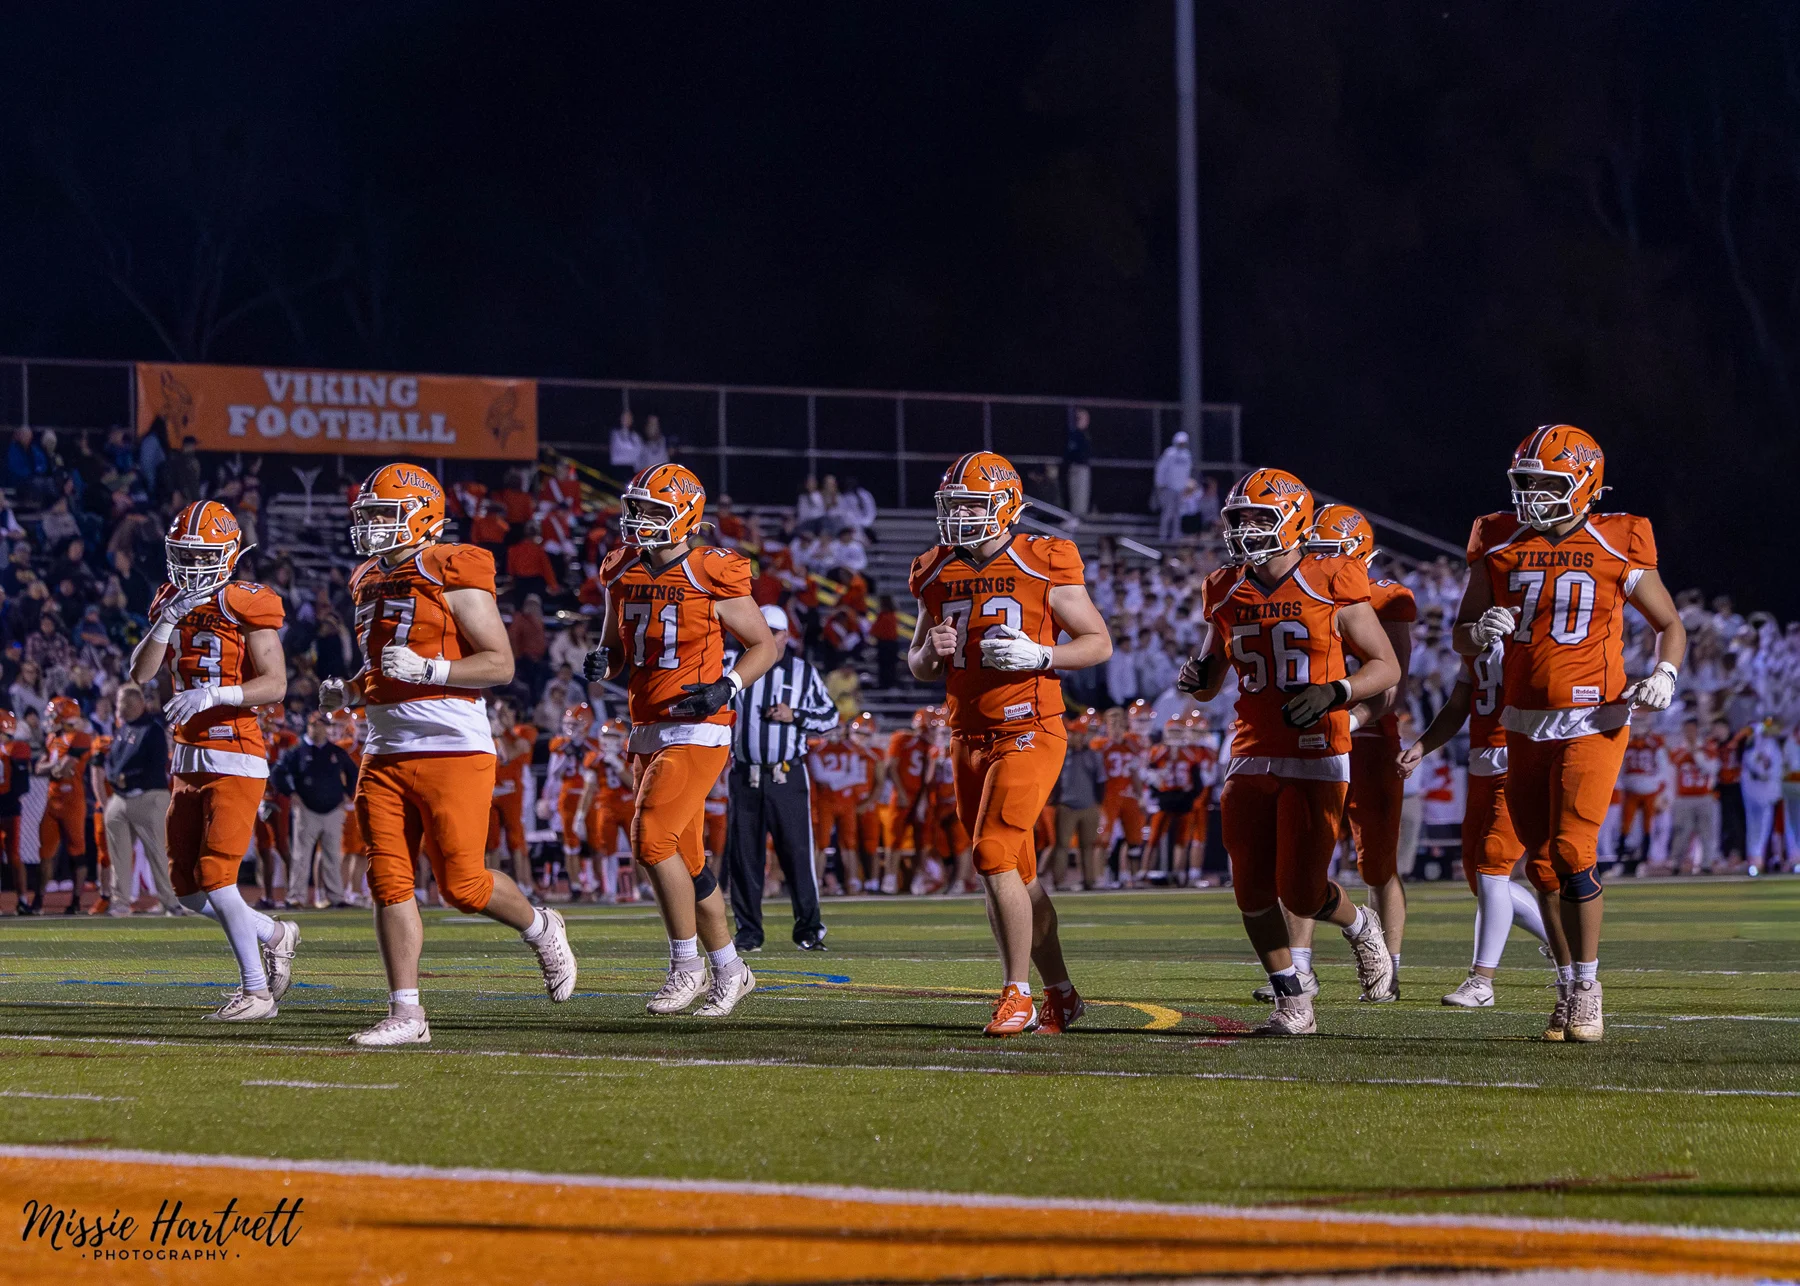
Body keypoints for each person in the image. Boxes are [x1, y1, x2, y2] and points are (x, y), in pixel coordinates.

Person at [320, 464, 577, 1047]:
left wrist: (433, 668)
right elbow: (380, 669)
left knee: (462, 887)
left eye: (384, 514)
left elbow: (500, 663)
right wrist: (350, 692)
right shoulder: (368, 578)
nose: (371, 526)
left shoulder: (451, 564)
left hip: (452, 746)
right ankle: (407, 1013)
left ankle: (540, 926)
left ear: (423, 516)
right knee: (388, 881)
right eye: (368, 515)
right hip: (382, 748)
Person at [1455, 424, 1686, 1042]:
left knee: (1571, 851)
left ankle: (1588, 987)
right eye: (1524, 482)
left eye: (1546, 483)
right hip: (1524, 721)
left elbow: (1670, 623)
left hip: (1594, 717)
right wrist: (1480, 632)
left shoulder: (1619, 538)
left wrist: (1664, 671)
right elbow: (1462, 631)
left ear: (1584, 484)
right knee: (1541, 869)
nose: (1531, 494)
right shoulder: (1497, 538)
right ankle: (1564, 984)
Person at [1175, 468, 1401, 1036]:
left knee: (1299, 888)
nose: (1246, 530)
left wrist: (1335, 691)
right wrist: (1195, 677)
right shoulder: (1224, 586)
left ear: (1295, 520)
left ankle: (1359, 924)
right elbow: (1209, 682)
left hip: (1317, 747)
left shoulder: (1331, 577)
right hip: (1251, 744)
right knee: (1249, 884)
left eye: (1260, 517)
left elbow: (1385, 666)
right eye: (1239, 519)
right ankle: (1292, 1002)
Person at [907, 451, 1113, 1036]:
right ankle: (1063, 994)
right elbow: (919, 663)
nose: (962, 518)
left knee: (993, 853)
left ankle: (1015, 993)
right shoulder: (933, 567)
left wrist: (1042, 654)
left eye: (973, 506)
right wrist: (931, 651)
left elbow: (1098, 642)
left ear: (1006, 506)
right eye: (955, 507)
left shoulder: (1042, 558)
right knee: (1015, 871)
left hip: (1029, 727)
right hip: (965, 734)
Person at [582, 463, 781, 1017]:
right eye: (636, 508)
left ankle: (684, 965)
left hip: (699, 726)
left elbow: (765, 645)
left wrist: (728, 685)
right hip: (648, 724)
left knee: (649, 840)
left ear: (686, 516)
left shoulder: (711, 570)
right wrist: (605, 662)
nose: (638, 520)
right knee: (689, 861)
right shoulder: (621, 568)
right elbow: (617, 649)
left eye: (652, 511)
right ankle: (731, 969)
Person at [127, 501, 297, 1018]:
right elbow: (140, 674)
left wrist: (215, 695)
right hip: (186, 758)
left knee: (217, 875)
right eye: (182, 553)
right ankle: (274, 931)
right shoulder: (168, 597)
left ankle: (255, 992)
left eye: (201, 554)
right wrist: (164, 623)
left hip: (235, 749)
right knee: (188, 891)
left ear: (227, 554)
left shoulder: (247, 601)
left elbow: (275, 683)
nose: (191, 565)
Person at [1255, 505, 1415, 1003]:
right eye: (1316, 551)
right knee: (1297, 859)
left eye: (1331, 553)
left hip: (1363, 742)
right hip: (1305, 738)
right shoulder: (1295, 587)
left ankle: (1387, 964)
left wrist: (1348, 719)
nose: (1321, 562)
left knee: (1377, 864)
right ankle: (1298, 967)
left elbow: (1392, 682)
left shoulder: (1387, 598)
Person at [1399, 642, 1563, 1011]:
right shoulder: (1478, 642)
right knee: (1484, 881)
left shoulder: (1535, 635)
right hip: (1480, 766)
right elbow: (1459, 706)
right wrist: (1423, 745)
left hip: (1519, 761)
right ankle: (1561, 942)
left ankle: (1482, 980)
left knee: (1493, 863)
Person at [718, 603, 838, 950]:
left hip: (786, 774)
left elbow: (829, 717)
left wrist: (795, 715)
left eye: (773, 632)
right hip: (744, 774)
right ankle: (749, 932)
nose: (766, 637)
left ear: (785, 635)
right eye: (761, 630)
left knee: (798, 854)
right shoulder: (733, 665)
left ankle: (809, 930)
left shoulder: (801, 671)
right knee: (744, 858)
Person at [99, 683, 178, 916]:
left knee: (158, 853)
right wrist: (116, 778)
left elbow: (155, 763)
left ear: (135, 704)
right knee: (119, 854)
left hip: (149, 795)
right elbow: (111, 761)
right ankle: (120, 901)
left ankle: (170, 901)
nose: (118, 706)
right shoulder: (123, 729)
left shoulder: (152, 729)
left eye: (122, 702)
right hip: (121, 797)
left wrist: (126, 777)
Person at [272, 710, 359, 910]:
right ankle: (296, 896)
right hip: (306, 810)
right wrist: (291, 793)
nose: (322, 729)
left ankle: (335, 896)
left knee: (332, 856)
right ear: (310, 727)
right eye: (317, 725)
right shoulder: (297, 751)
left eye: (323, 725)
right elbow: (277, 773)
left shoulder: (335, 751)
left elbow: (353, 773)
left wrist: (348, 794)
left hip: (333, 810)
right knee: (301, 856)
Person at [35, 696, 96, 916]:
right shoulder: (52, 738)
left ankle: (76, 901)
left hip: (72, 802)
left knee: (76, 854)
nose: (50, 719)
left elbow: (64, 769)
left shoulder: (80, 738)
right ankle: (39, 900)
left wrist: (51, 767)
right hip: (53, 802)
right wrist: (54, 766)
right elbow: (44, 768)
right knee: (45, 852)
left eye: (53, 714)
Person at [1055, 709, 1105, 890]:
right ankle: (1058, 882)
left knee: (1088, 846)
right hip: (1066, 805)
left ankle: (1089, 881)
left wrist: (1098, 805)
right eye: (1074, 734)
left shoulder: (1093, 755)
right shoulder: (1061, 754)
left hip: (1088, 805)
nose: (1077, 738)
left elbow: (1101, 782)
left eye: (1079, 735)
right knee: (1062, 846)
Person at [1666, 717, 1721, 873]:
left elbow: (1712, 769)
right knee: (1681, 832)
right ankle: (1676, 863)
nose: (1690, 733)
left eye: (1692, 730)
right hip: (1684, 797)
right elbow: (1670, 773)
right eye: (1687, 730)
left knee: (1706, 832)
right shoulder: (1678, 751)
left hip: (1703, 796)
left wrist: (1697, 754)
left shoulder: (1707, 750)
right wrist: (1671, 798)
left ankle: (1706, 864)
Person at [0, 711, 34, 912]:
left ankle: (22, 898)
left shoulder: (15, 748)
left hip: (8, 806)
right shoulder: (17, 748)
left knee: (13, 855)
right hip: (11, 806)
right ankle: (22, 900)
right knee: (14, 855)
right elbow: (23, 786)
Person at [1152, 431, 1193, 543]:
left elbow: (1187, 473)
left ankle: (1175, 537)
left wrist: (1186, 486)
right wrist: (1160, 484)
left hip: (1180, 489)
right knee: (1168, 512)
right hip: (1169, 488)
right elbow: (1161, 469)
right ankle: (1163, 536)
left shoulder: (1187, 455)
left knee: (1178, 514)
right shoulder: (1169, 453)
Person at [1064, 408, 1094, 518]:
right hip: (1076, 467)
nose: (1081, 421)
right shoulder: (1075, 434)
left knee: (1082, 494)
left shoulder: (1085, 434)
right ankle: (1075, 518)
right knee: (1076, 494)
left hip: (1083, 467)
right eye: (1079, 418)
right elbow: (1070, 452)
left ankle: (1080, 518)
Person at [608, 409, 642, 475]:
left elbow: (638, 453)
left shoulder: (636, 436)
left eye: (629, 417)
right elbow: (619, 448)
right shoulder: (615, 434)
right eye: (624, 417)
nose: (626, 420)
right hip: (618, 468)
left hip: (632, 469)